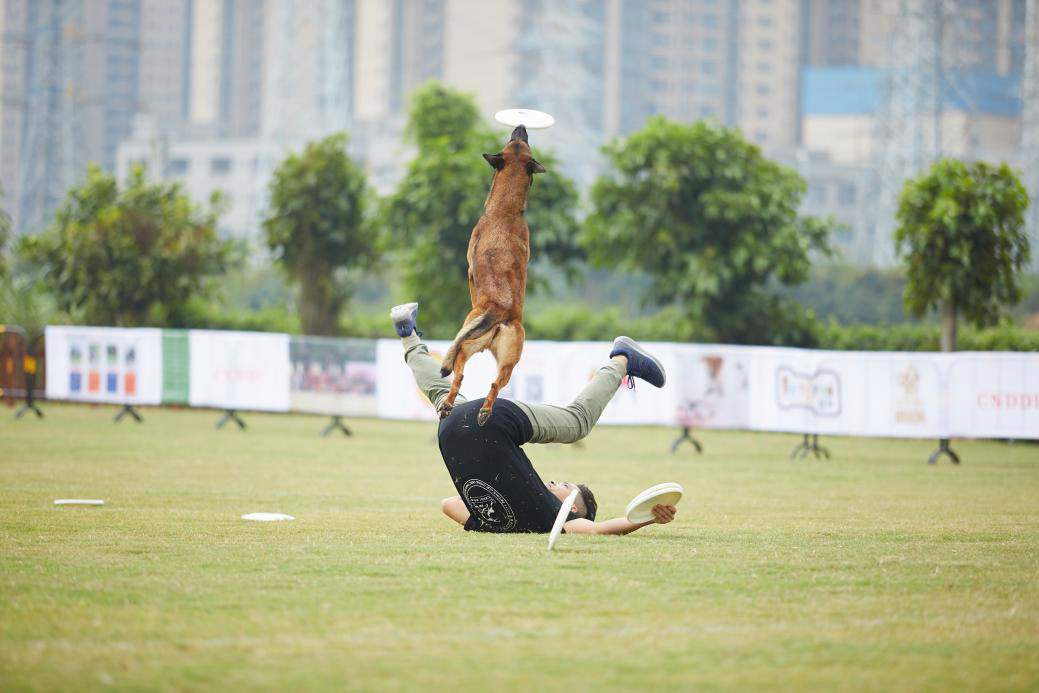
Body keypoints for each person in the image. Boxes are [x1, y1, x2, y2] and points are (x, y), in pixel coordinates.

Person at [390, 302, 678, 536]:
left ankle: (408, 334)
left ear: (574, 510)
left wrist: (489, 516)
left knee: (576, 422)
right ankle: (622, 361)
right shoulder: (542, 518)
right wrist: (647, 518)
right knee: (574, 424)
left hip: (462, 428)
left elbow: (449, 504)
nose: (554, 480)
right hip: (462, 434)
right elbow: (451, 505)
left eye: (565, 485)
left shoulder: (554, 518)